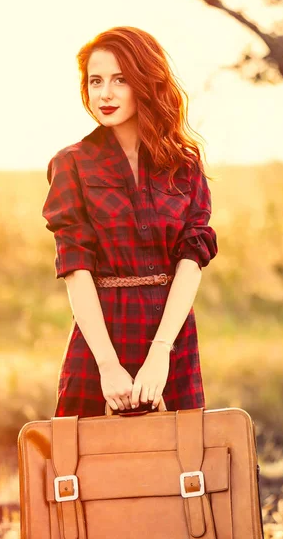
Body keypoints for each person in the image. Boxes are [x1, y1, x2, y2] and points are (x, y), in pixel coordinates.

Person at [42, 26, 218, 418]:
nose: (105, 93)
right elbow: (75, 268)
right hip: (101, 334)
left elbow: (192, 260)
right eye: (96, 81)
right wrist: (107, 365)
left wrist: (160, 354)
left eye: (120, 80)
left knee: (181, 469)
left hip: (171, 336)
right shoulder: (71, 163)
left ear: (145, 82)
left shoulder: (184, 165)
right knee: (84, 469)